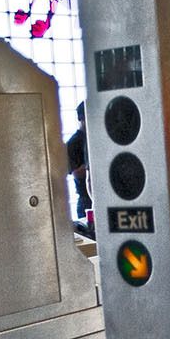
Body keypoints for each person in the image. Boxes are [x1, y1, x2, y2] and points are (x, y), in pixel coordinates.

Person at [65, 102, 94, 238]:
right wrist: (93, 167)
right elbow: (72, 171)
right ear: (81, 118)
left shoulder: (96, 138)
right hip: (85, 200)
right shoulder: (74, 142)